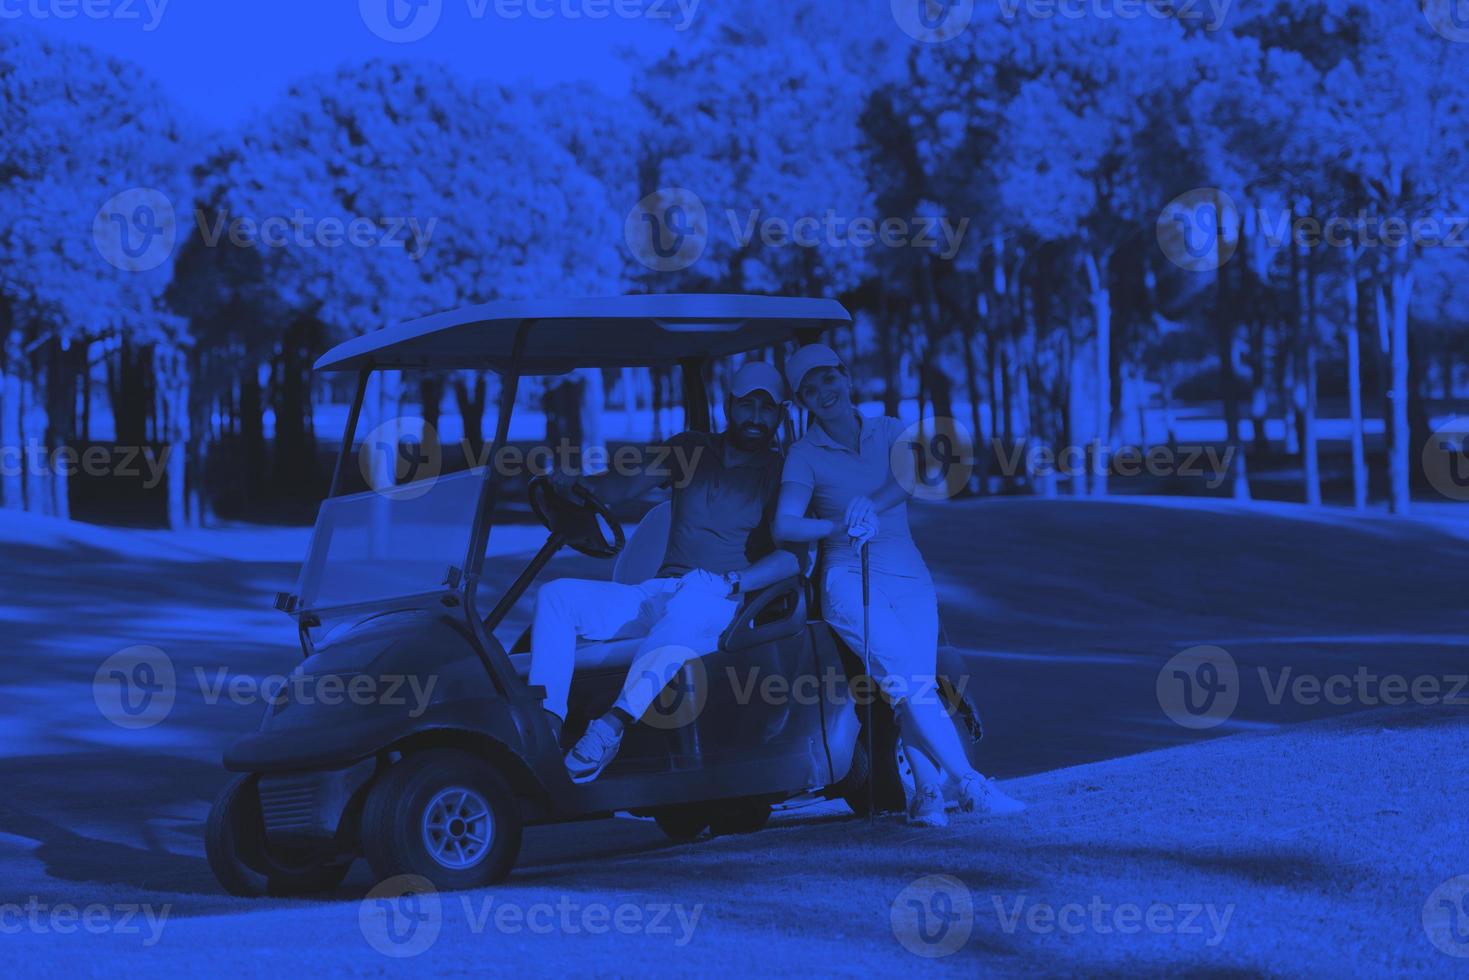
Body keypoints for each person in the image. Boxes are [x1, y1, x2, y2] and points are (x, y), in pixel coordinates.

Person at [772, 344, 1024, 827]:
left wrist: (870, 502)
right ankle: (971, 785)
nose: (823, 393)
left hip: (909, 574)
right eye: (809, 389)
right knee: (908, 683)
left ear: (846, 377)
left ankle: (927, 794)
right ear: (802, 400)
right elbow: (785, 524)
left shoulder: (888, 429)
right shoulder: (804, 455)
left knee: (915, 683)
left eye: (828, 379)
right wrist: (837, 526)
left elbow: (911, 478)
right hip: (848, 577)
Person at [529, 361, 801, 783]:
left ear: (780, 415)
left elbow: (791, 559)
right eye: (748, 405)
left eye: (768, 409)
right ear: (729, 405)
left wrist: (732, 581)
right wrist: (576, 484)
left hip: (724, 598)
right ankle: (546, 726)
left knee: (690, 602)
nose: (757, 418)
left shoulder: (782, 472)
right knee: (557, 595)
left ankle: (610, 727)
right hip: (662, 588)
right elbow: (622, 487)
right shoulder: (690, 449)